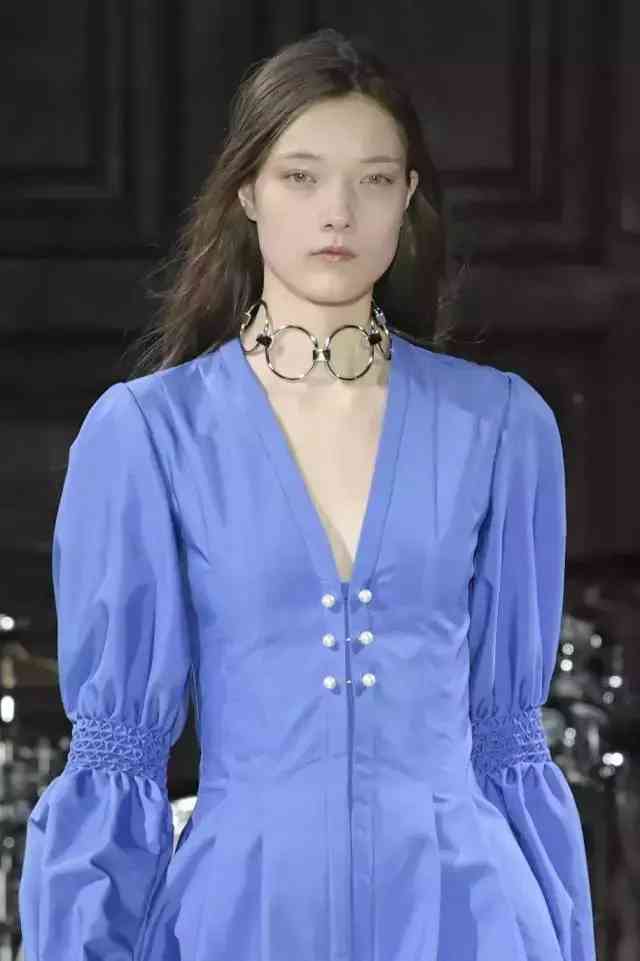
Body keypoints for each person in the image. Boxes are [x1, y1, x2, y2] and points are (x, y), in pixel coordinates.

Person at [18, 27, 597, 961]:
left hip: (469, 917)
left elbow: (509, 745)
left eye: (374, 179)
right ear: (246, 191)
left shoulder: (501, 427)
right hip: (237, 919)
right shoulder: (150, 434)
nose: (339, 211)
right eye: (301, 176)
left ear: (407, 197)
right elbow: (116, 755)